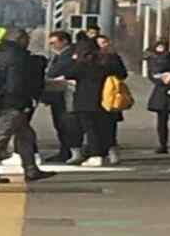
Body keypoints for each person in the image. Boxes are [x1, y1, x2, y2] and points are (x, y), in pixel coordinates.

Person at [0, 29, 55, 184]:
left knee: (26, 135)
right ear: (21, 39)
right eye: (27, 38)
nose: (28, 41)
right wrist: (24, 102)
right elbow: (16, 84)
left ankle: (31, 169)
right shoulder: (18, 58)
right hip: (11, 104)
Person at [54, 39, 118, 165]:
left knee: (91, 129)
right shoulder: (107, 62)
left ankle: (96, 155)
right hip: (106, 99)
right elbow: (122, 74)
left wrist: (73, 59)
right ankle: (105, 154)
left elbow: (66, 73)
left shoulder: (81, 64)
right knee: (104, 128)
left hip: (85, 101)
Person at [42, 31, 82, 162]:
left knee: (68, 124)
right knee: (60, 124)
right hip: (56, 95)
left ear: (64, 41)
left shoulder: (70, 55)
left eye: (54, 42)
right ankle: (64, 151)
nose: (51, 46)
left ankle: (72, 150)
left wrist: (50, 74)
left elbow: (56, 71)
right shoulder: (57, 56)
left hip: (67, 95)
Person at [146, 39, 170, 154]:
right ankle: (163, 144)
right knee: (161, 119)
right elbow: (153, 74)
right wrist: (161, 80)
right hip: (161, 91)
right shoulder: (157, 58)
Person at [95, 34, 129, 165]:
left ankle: (112, 150)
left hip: (111, 94)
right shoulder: (91, 58)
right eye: (100, 43)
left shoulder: (114, 58)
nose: (103, 45)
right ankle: (102, 151)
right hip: (96, 95)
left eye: (105, 42)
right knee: (97, 125)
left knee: (110, 125)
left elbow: (123, 74)